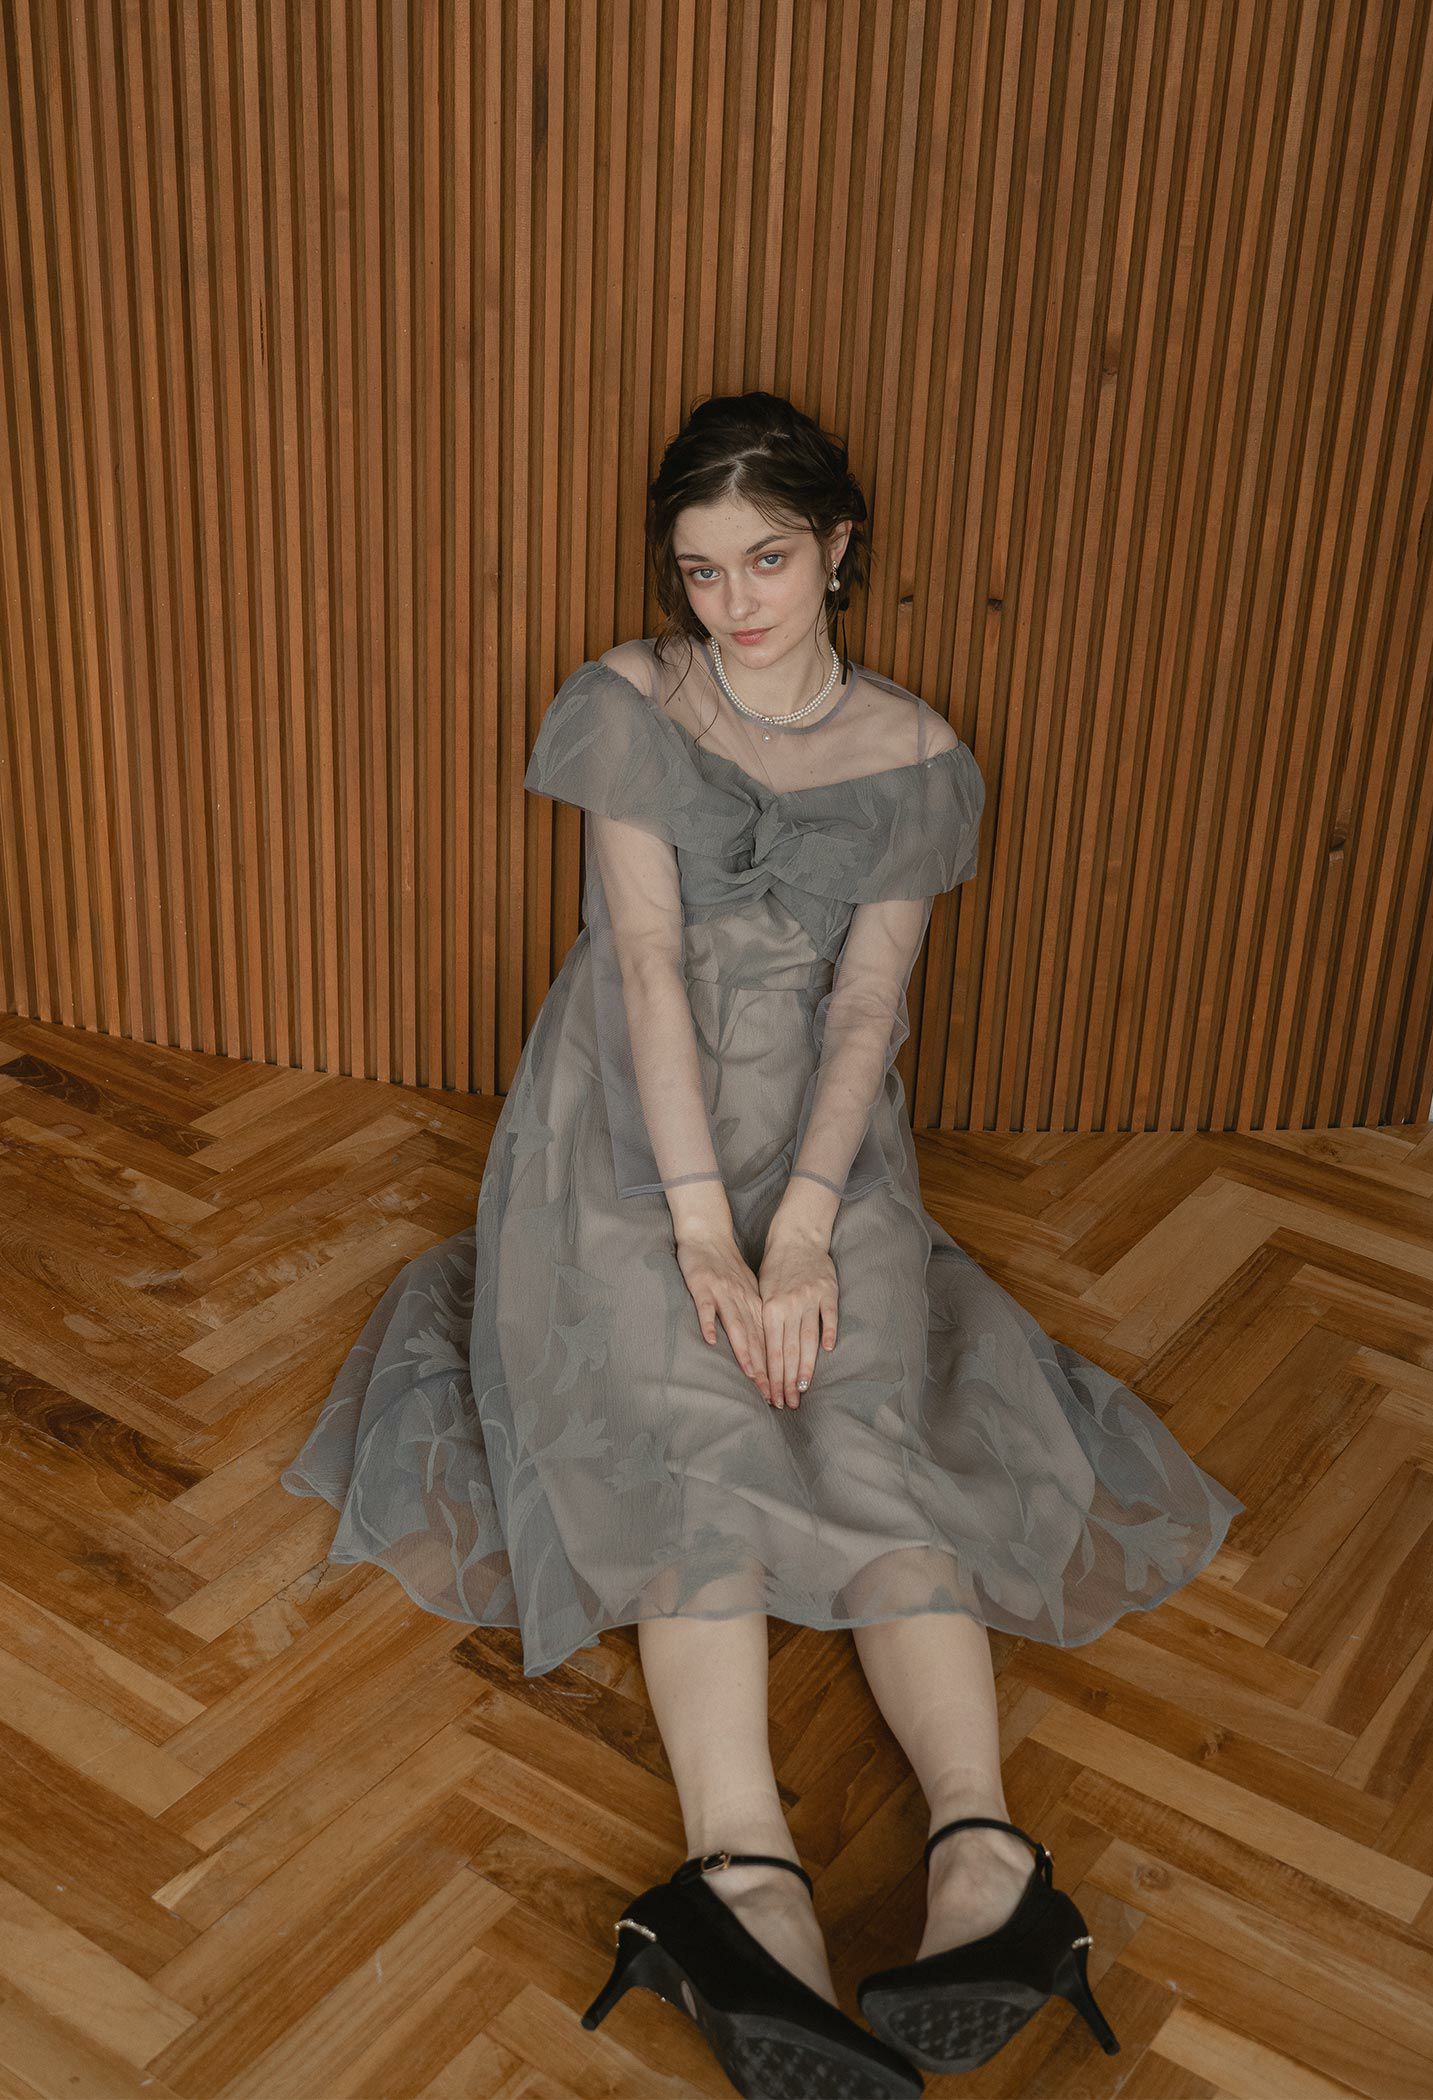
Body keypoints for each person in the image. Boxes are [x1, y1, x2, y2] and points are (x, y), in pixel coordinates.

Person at [281, 391, 1244, 2093]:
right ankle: (747, 1884)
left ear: (840, 545)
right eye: (703, 568)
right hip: (625, 1128)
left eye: (770, 560)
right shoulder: (629, 699)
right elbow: (645, 967)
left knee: (870, 1421)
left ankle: (988, 1862)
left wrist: (802, 1230)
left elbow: (870, 1003)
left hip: (822, 1130)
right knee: (694, 1433)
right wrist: (703, 1242)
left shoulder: (916, 751)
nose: (734, 602)